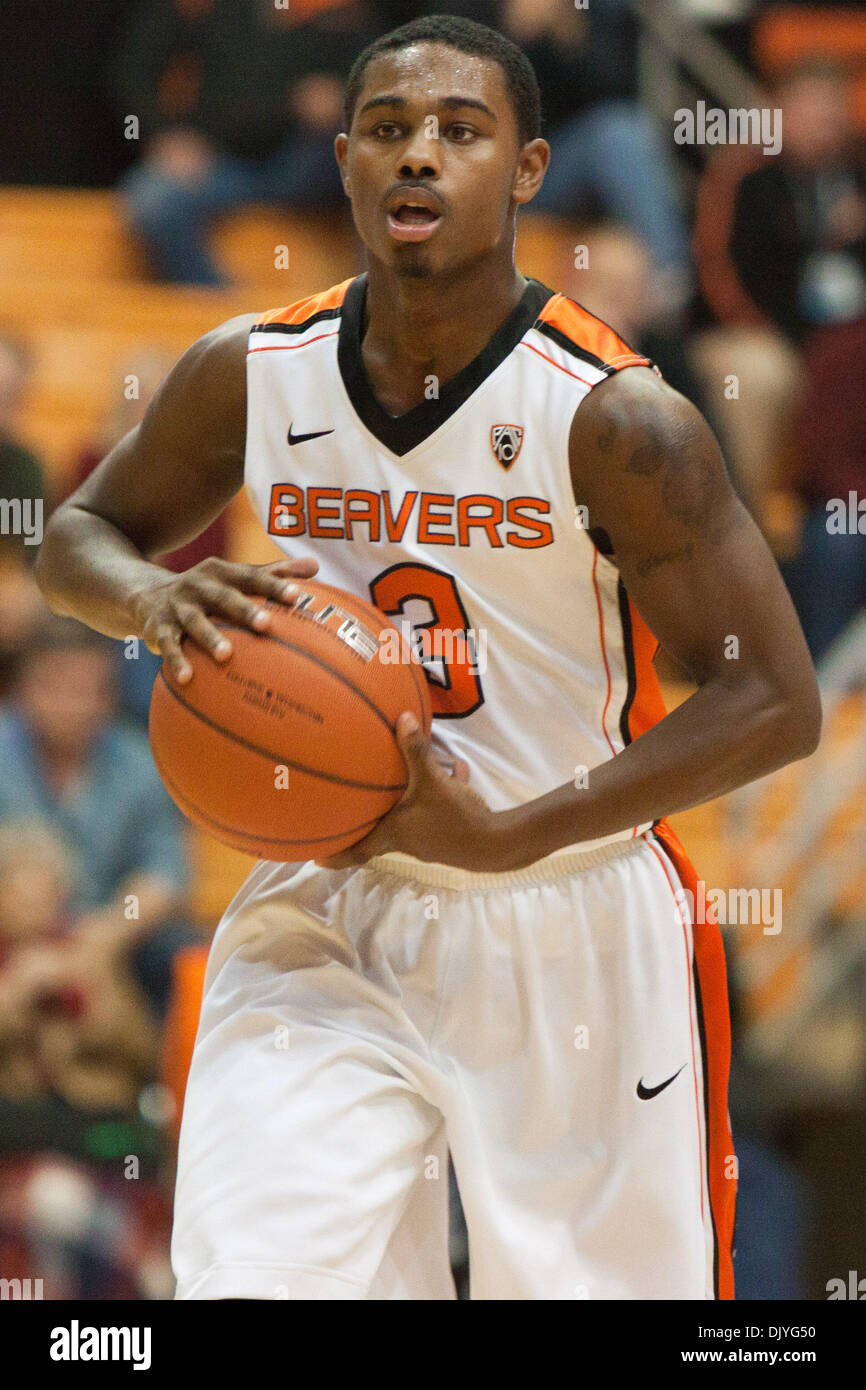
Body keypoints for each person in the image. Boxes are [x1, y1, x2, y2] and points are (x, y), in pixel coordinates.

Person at [37, 15, 821, 1300]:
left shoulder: (616, 417)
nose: (419, 158)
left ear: (525, 170)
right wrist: (148, 603)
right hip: (328, 904)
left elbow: (774, 700)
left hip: (567, 912)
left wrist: (509, 833)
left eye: (460, 132)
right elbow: (76, 537)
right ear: (342, 159)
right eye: (390, 132)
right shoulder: (252, 370)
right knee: (259, 1282)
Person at [0, 617, 196, 1021]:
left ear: (110, 694)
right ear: (21, 689)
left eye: (88, 689)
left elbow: (164, 876)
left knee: (181, 950)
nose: (72, 705)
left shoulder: (141, 761)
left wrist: (107, 932)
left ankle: (159, 1083)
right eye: (55, 687)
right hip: (10, 935)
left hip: (107, 940)